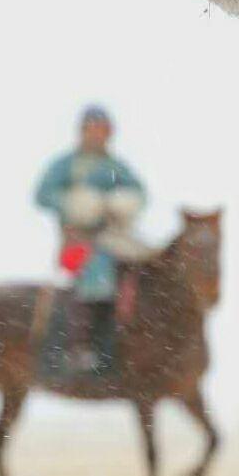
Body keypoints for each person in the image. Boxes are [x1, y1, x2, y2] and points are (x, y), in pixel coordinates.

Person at [34, 105, 151, 370]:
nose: (97, 135)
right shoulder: (66, 165)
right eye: (92, 129)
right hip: (79, 241)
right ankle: (81, 347)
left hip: (117, 238)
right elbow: (42, 195)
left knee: (147, 271)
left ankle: (133, 343)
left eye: (102, 130)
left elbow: (139, 193)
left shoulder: (116, 167)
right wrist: (72, 202)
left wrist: (121, 203)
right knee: (96, 276)